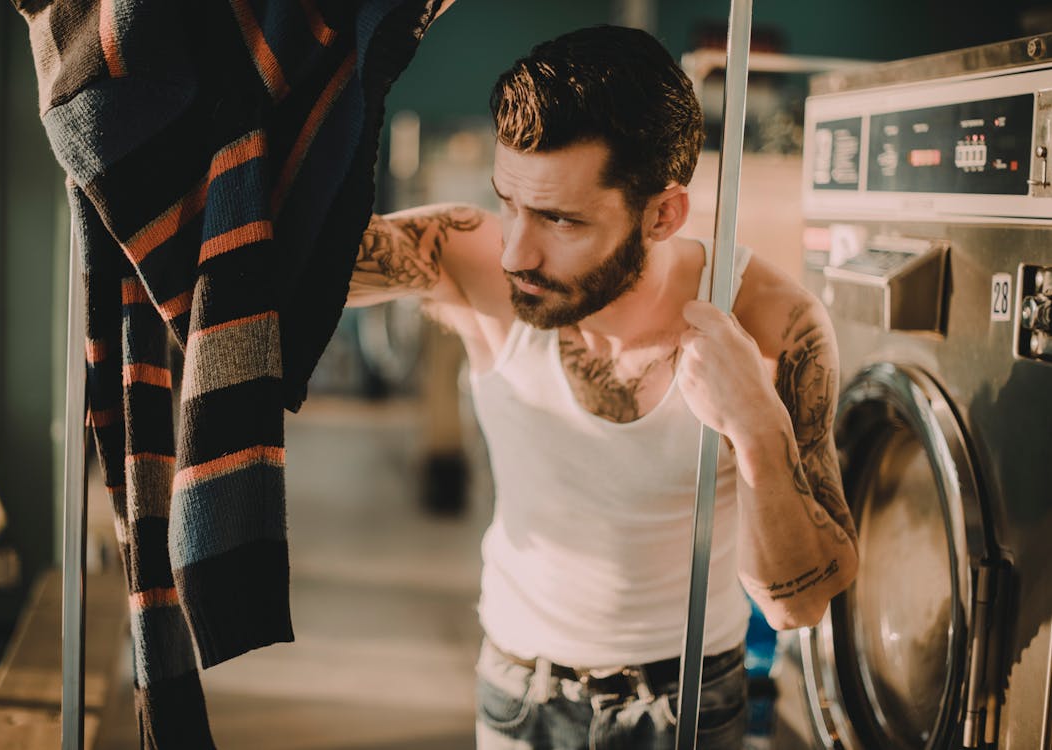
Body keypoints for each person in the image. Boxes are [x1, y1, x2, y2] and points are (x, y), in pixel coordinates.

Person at [347, 24, 859, 749]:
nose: (518, 251)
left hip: (687, 699)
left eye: (560, 219)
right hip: (517, 688)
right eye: (509, 203)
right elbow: (290, 272)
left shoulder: (772, 325)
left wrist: (755, 429)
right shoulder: (475, 260)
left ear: (663, 214)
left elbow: (799, 605)